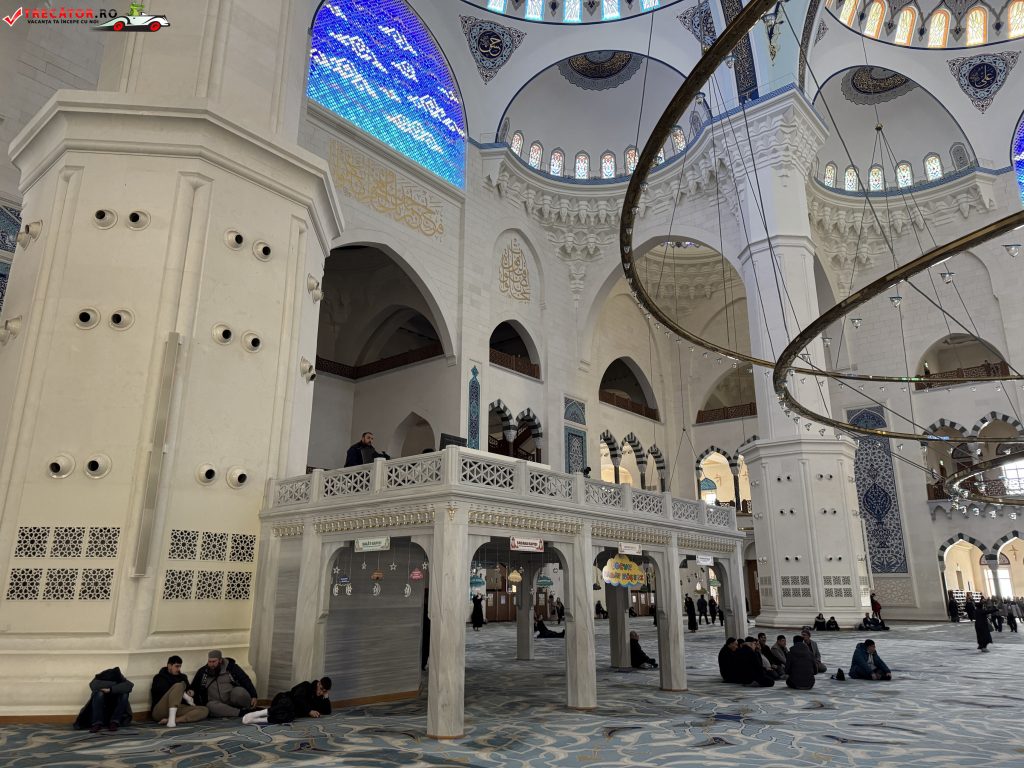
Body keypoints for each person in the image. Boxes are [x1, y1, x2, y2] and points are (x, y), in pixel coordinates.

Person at [190, 650, 258, 718]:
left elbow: (245, 679)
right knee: (210, 706)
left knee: (239, 692)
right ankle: (241, 713)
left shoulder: (231, 667)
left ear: (220, 660)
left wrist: (253, 695)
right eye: (209, 662)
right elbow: (194, 687)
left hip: (232, 700)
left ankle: (250, 707)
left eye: (214, 661)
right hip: (217, 704)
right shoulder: (203, 672)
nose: (211, 664)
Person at [243, 678, 332, 725]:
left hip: (289, 711)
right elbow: (296, 697)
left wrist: (326, 697)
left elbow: (327, 711)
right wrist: (309, 711)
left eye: (324, 691)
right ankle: (256, 714)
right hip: (283, 700)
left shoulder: (320, 698)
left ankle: (257, 720)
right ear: (318, 683)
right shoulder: (306, 685)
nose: (321, 692)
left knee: (289, 717)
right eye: (321, 689)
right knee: (288, 705)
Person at [151, 655, 208, 727]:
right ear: (169, 666)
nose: (178, 669)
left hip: (178, 708)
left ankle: (174, 720)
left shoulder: (183, 677)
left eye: (180, 666)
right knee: (179, 685)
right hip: (160, 710)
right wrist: (184, 695)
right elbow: (162, 692)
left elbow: (189, 689)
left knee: (204, 710)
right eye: (176, 666)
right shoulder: (159, 678)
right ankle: (171, 721)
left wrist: (191, 692)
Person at [73, 667, 134, 732]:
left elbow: (129, 685)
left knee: (124, 694)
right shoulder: (99, 678)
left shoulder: (119, 677)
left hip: (114, 705)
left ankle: (114, 722)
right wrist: (117, 685)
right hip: (103, 707)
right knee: (99, 693)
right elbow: (93, 685)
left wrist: (110, 689)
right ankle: (97, 723)